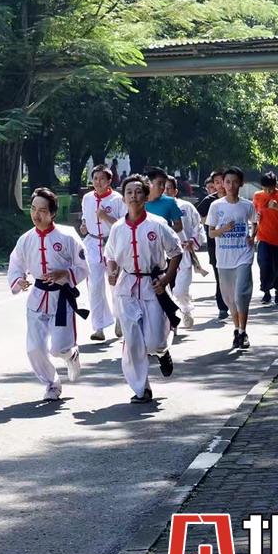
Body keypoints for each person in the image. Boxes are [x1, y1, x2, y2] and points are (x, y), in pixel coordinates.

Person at [105, 175, 182, 404]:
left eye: (138, 192)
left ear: (146, 196)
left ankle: (162, 352)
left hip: (153, 286)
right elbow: (110, 255)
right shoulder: (117, 228)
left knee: (155, 341)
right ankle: (141, 389)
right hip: (126, 288)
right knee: (133, 341)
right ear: (123, 197)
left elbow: (176, 252)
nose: (134, 196)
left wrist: (166, 278)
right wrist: (112, 271)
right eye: (129, 192)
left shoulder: (158, 224)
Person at [8, 187, 89, 400]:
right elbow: (15, 264)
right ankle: (52, 384)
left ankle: (71, 354)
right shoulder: (26, 239)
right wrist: (18, 280)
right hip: (37, 298)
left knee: (59, 348)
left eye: (42, 211)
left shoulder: (68, 236)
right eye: (33, 209)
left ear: (52, 213)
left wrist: (66, 273)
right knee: (34, 348)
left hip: (61, 298)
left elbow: (83, 266)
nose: (36, 215)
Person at [207, 167, 257, 350]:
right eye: (227, 182)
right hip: (224, 258)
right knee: (230, 299)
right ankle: (236, 329)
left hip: (243, 255)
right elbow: (211, 233)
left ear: (241, 183)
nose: (231, 185)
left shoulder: (247, 205)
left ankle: (243, 332)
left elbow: (255, 222)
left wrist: (253, 236)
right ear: (222, 184)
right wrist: (224, 229)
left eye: (235, 182)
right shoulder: (216, 206)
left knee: (241, 294)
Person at [80, 165, 127, 341]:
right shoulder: (87, 198)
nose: (98, 182)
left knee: (115, 284)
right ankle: (98, 327)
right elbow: (85, 217)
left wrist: (105, 217)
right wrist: (84, 225)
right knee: (94, 286)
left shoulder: (117, 199)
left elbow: (123, 224)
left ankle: (119, 318)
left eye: (102, 179)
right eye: (95, 179)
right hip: (92, 244)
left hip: (112, 245)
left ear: (109, 181)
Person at [164, 176, 207, 328]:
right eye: (162, 187)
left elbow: (198, 227)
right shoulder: (153, 208)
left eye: (169, 188)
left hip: (183, 253)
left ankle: (186, 309)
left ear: (175, 191)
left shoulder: (186, 207)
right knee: (165, 291)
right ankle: (170, 322)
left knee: (180, 290)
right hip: (162, 255)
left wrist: (192, 241)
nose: (165, 191)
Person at [253, 172, 278, 305]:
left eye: (270, 189)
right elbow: (253, 215)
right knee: (264, 264)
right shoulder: (257, 196)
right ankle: (266, 291)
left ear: (275, 185)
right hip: (263, 237)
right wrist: (255, 222)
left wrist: (277, 208)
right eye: (265, 188)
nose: (267, 192)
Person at [196, 170, 229, 320]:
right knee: (219, 276)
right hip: (214, 244)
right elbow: (197, 217)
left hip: (233, 245)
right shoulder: (209, 201)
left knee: (231, 277)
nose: (220, 185)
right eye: (216, 182)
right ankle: (222, 307)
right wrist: (211, 222)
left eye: (223, 181)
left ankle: (232, 302)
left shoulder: (235, 199)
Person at [144, 167, 184, 233]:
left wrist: (163, 232)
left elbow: (179, 226)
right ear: (149, 183)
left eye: (164, 184)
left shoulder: (169, 202)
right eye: (159, 183)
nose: (162, 187)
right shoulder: (138, 202)